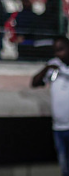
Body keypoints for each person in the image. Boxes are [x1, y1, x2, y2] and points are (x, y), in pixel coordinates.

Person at [31, 36, 69, 176]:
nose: (58, 54)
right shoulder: (54, 65)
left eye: (61, 50)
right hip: (59, 128)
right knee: (64, 167)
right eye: (55, 51)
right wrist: (47, 67)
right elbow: (35, 83)